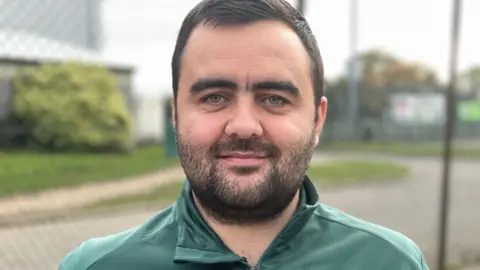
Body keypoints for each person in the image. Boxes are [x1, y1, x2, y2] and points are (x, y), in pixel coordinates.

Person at [59, 0, 430, 269]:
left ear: (317, 120)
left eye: (274, 98)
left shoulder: (390, 261)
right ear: (175, 115)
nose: (243, 125)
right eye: (215, 97)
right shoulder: (97, 266)